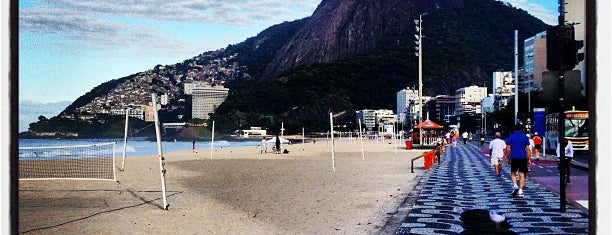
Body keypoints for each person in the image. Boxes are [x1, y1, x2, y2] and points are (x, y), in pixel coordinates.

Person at [504, 123, 531, 198]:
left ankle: (515, 185)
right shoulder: (524, 137)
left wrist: (507, 157)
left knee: (513, 173)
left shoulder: (511, 136)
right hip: (523, 157)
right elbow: (528, 149)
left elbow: (508, 148)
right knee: (522, 174)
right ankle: (521, 191)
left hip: (514, 157)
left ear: (515, 129)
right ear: (522, 129)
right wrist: (529, 159)